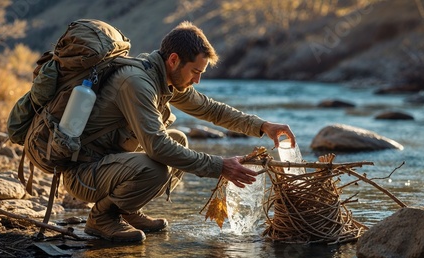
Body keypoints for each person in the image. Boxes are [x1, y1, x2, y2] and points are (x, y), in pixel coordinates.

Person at [62, 21, 296, 242]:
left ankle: (126, 209)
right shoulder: (137, 83)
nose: (198, 80)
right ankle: (102, 218)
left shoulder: (164, 77)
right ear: (174, 60)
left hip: (109, 164)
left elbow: (211, 110)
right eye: (195, 71)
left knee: (179, 140)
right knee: (156, 167)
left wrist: (264, 126)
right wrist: (220, 166)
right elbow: (157, 146)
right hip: (84, 172)